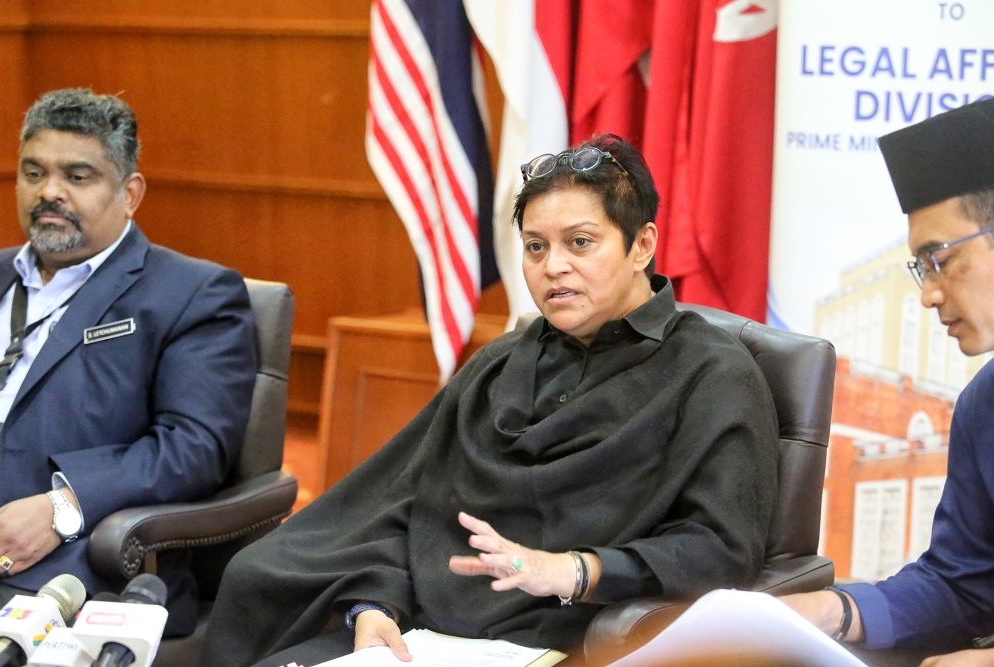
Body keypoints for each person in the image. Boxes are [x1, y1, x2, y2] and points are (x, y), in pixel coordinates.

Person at [200, 134, 779, 667]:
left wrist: (575, 570)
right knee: (256, 578)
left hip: (573, 636)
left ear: (641, 245)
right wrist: (374, 603)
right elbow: (406, 504)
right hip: (421, 630)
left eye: (580, 243)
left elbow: (721, 549)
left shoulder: (711, 373)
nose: (554, 267)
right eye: (535, 247)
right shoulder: (500, 364)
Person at [0, 88, 257, 634]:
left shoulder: (192, 294)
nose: (50, 192)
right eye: (34, 173)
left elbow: (194, 446)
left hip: (66, 567)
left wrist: (63, 507)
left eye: (77, 176)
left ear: (129, 192)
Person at [782, 97, 994, 667]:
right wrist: (832, 610)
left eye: (939, 258)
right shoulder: (983, 405)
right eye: (920, 268)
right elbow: (963, 585)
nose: (927, 294)